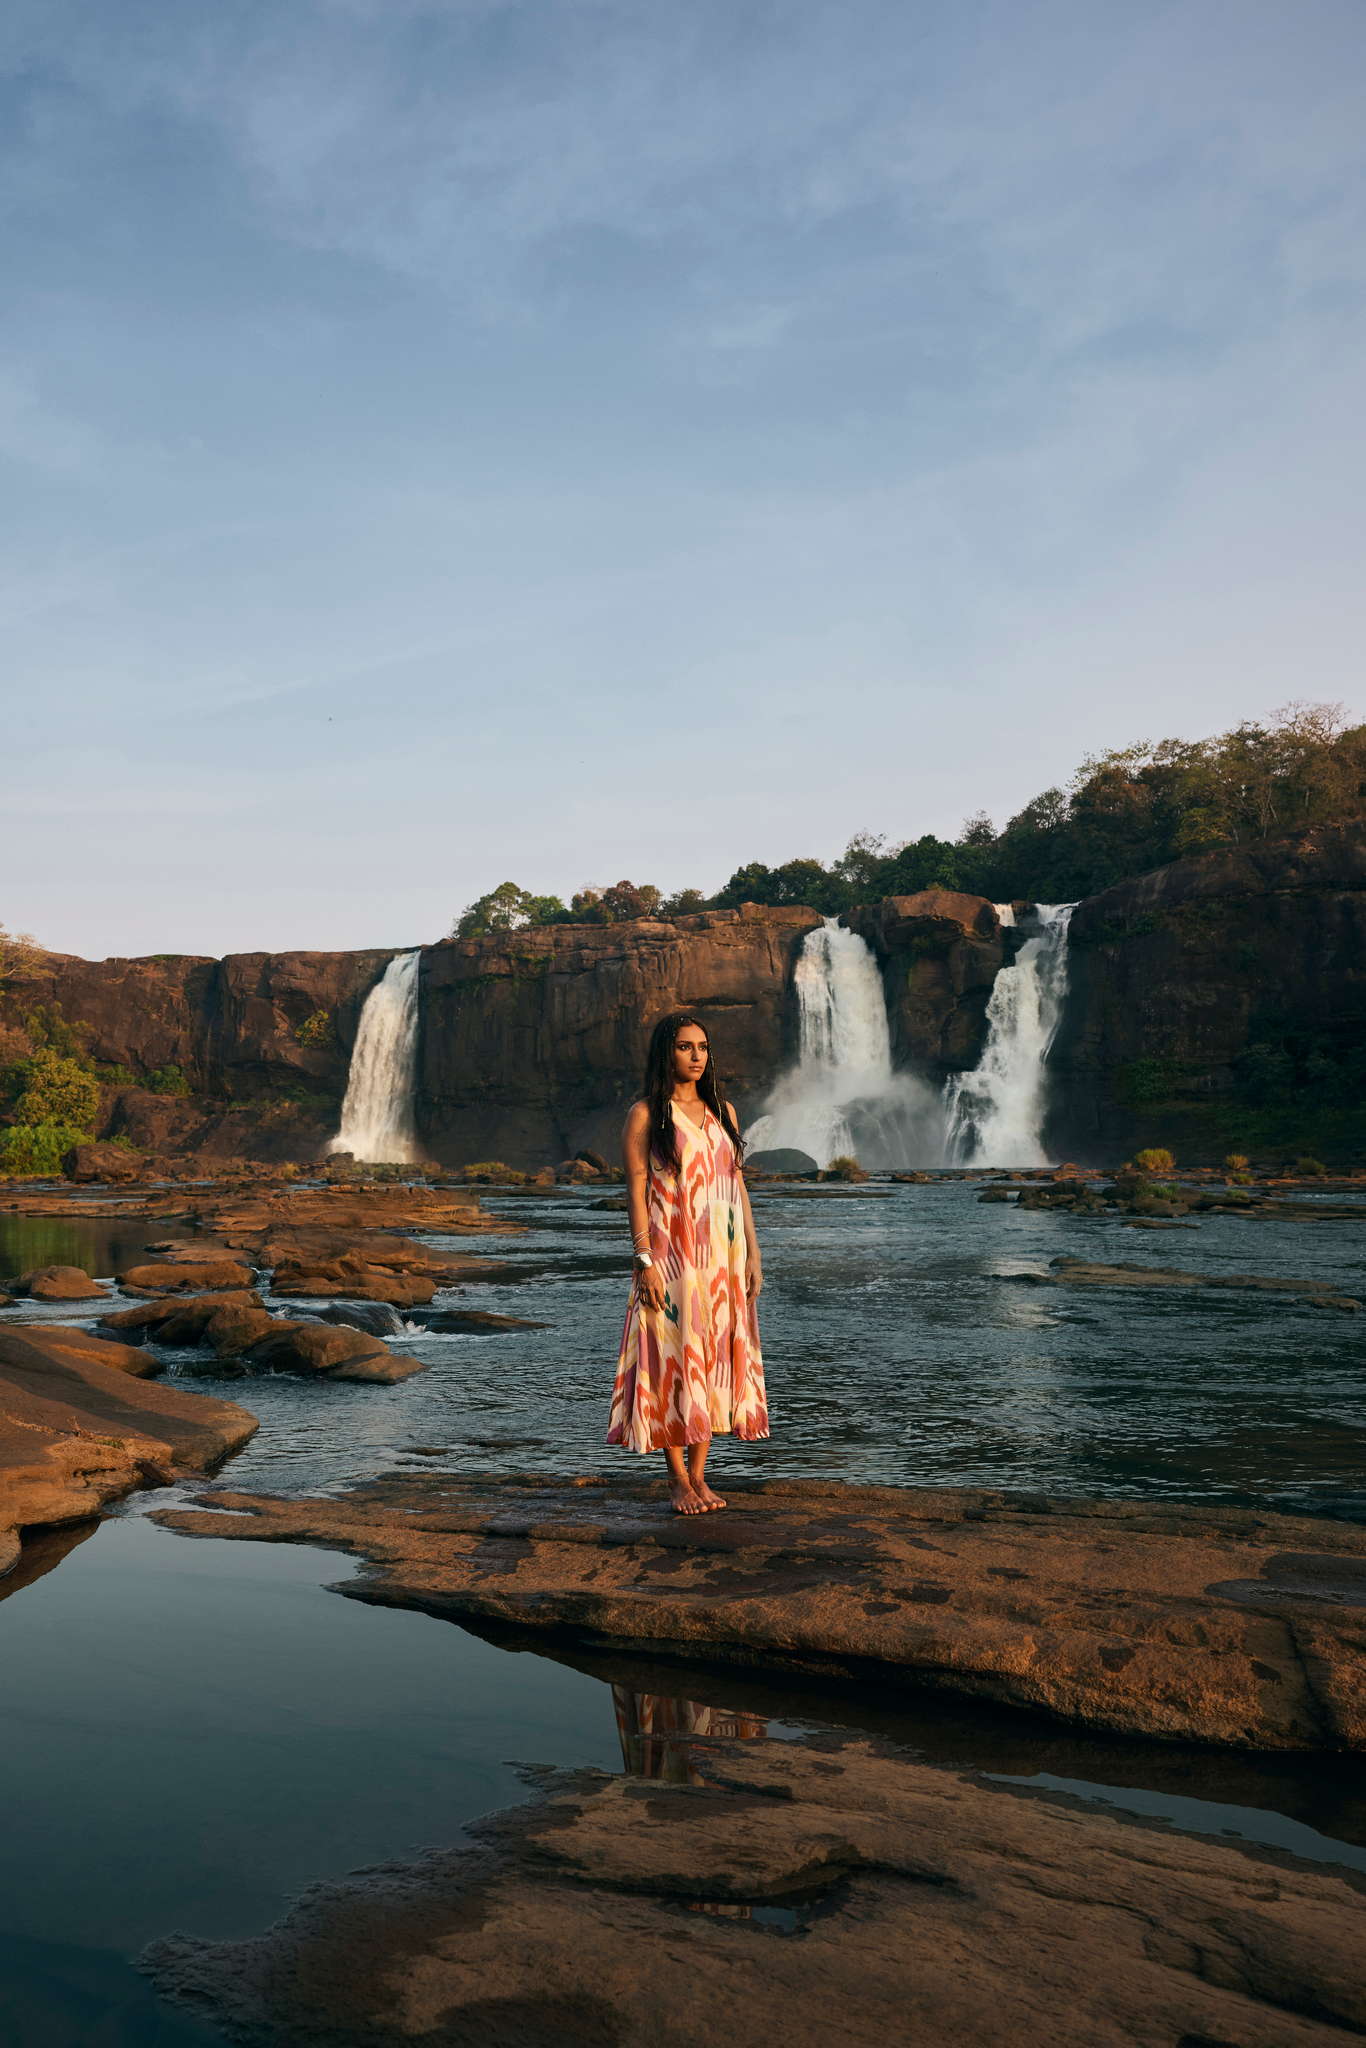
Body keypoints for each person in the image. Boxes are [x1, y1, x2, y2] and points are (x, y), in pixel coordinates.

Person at [606, 1010, 768, 1513]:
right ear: (666, 1052)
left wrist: (754, 1252)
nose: (696, 1056)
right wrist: (643, 1259)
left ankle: (700, 1475)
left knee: (715, 1361)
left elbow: (736, 1184)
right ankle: (676, 1477)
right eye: (685, 1047)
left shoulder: (725, 1112)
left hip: (722, 1257)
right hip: (673, 1258)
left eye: (702, 1047)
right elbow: (636, 1189)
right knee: (673, 1359)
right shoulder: (646, 1114)